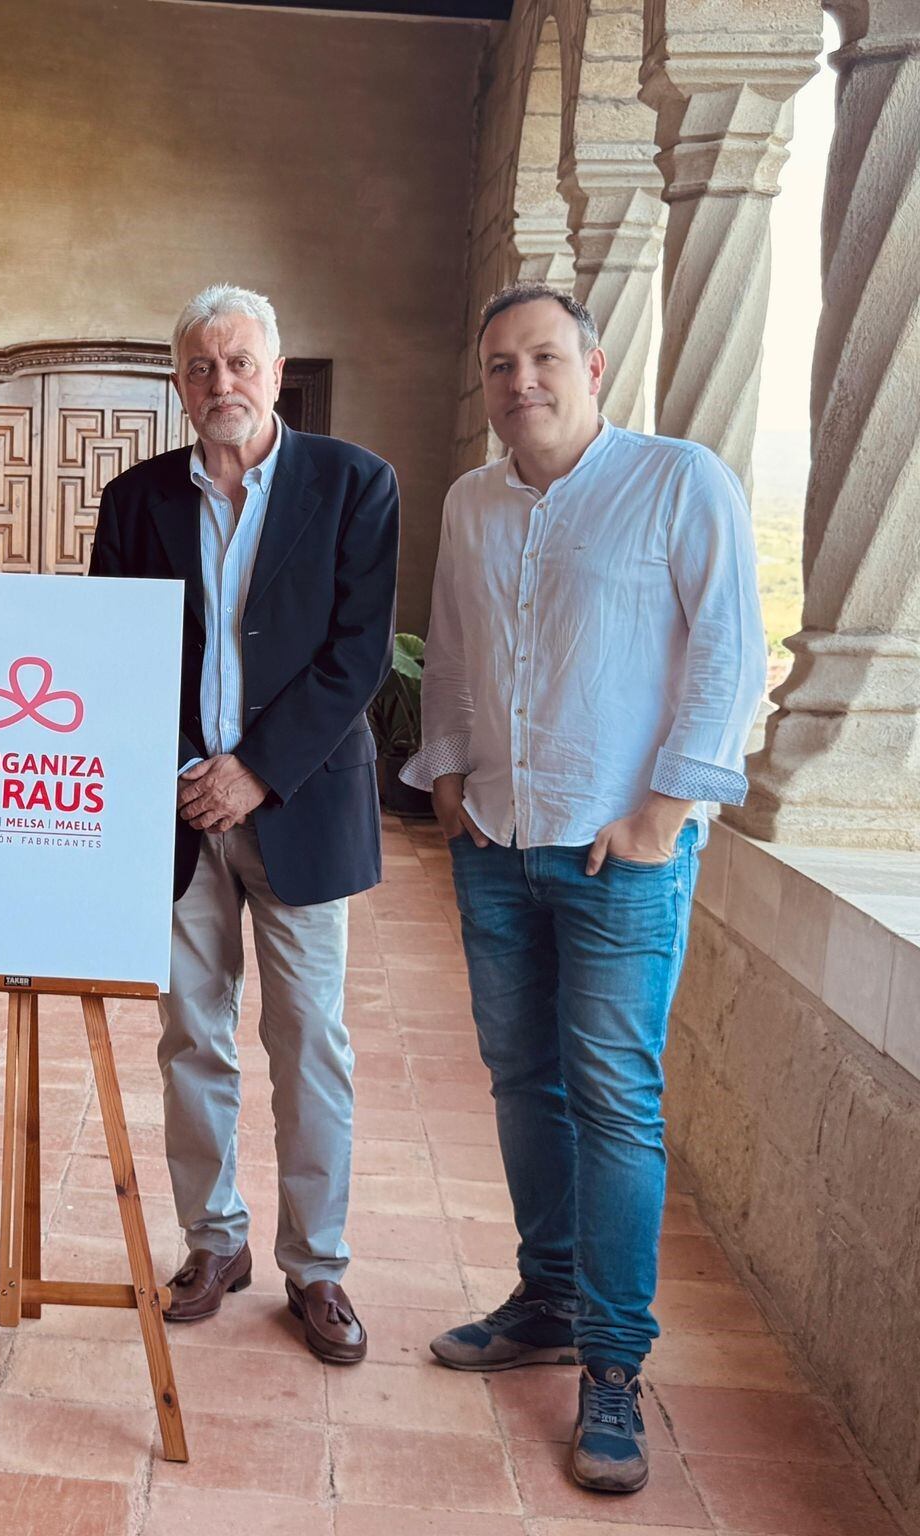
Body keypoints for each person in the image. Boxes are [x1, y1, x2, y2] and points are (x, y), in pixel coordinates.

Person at [404, 282, 765, 1493]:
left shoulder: (678, 480)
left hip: (621, 856)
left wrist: (664, 810)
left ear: (592, 365)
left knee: (611, 1100)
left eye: (542, 358)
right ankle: (546, 1297)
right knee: (520, 1078)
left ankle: (611, 1364)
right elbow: (451, 646)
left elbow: (727, 650)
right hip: (498, 841)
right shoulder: (470, 502)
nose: (520, 383)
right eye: (499, 363)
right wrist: (446, 775)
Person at [88, 284, 399, 1361]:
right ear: (179, 384)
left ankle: (316, 1267)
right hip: (176, 811)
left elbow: (354, 654)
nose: (221, 383)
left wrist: (253, 772)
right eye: (200, 368)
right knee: (191, 1034)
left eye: (240, 364)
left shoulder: (355, 484)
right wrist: (185, 768)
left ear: (274, 372)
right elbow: (112, 651)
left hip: (299, 808)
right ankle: (212, 1239)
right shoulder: (134, 501)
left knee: (310, 1041)